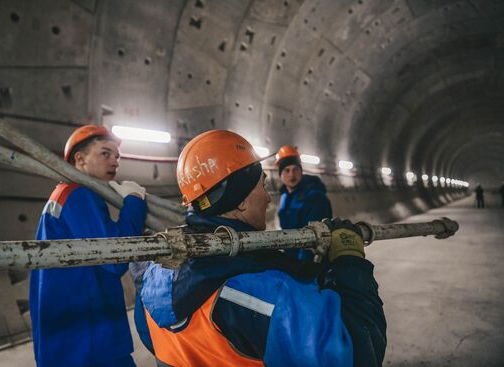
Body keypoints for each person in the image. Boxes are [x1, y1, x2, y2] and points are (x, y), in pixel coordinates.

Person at [130, 130, 386, 367]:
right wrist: (351, 264)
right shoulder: (267, 293)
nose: (268, 197)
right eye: (262, 185)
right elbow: (358, 353)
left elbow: (149, 337)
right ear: (240, 201)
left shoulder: (153, 274)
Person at [29, 125, 147, 367]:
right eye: (105, 153)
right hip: (89, 340)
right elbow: (114, 257)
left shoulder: (64, 194)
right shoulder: (77, 194)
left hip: (73, 337)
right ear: (80, 160)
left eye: (117, 156)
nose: (115, 160)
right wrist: (134, 202)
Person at [276, 145, 333, 261]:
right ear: (280, 175)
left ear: (301, 171)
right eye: (287, 170)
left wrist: (301, 268)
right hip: (291, 259)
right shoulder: (284, 197)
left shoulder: (315, 197)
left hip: (308, 264)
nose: (292, 175)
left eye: (295, 169)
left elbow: (315, 238)